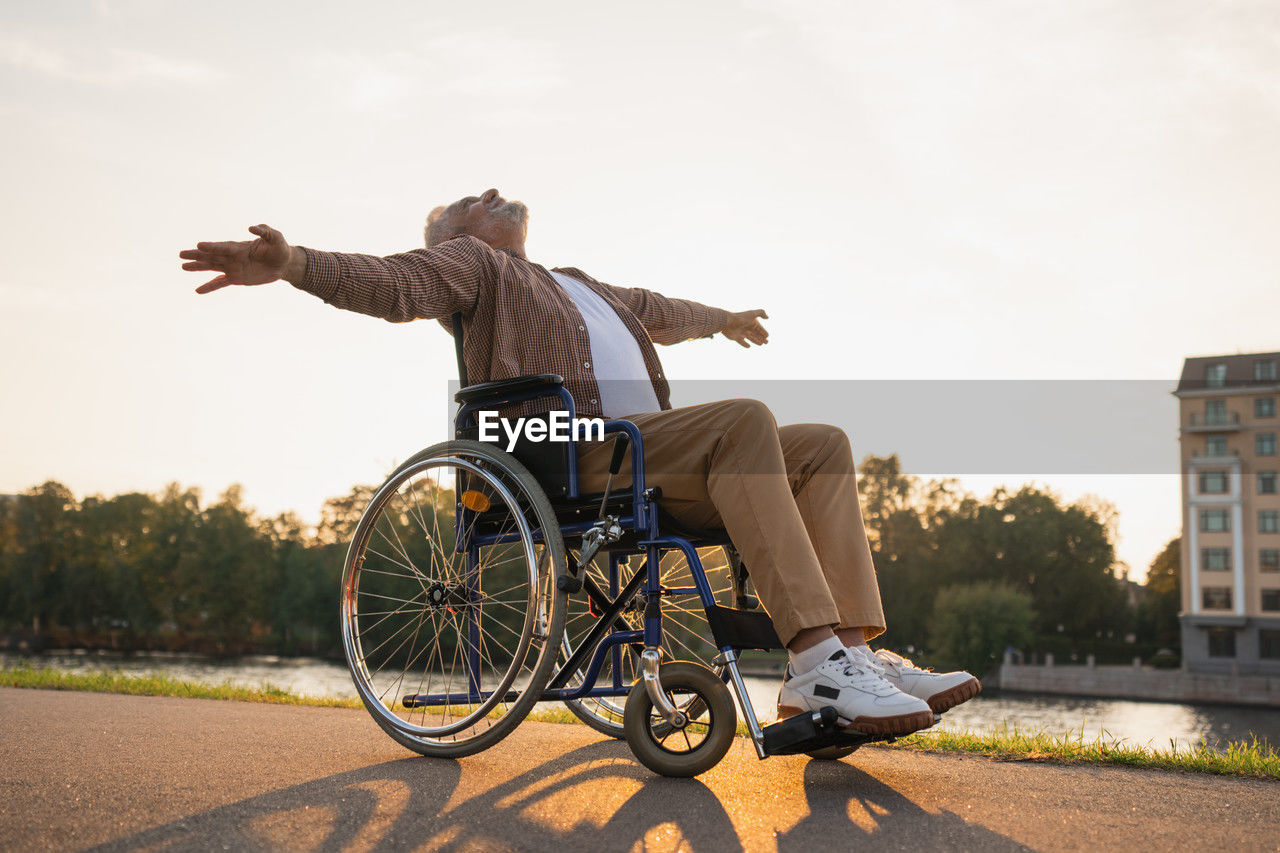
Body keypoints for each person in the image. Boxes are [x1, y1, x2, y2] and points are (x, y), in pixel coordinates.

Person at [179, 188, 980, 736]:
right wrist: (294, 266)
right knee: (745, 420)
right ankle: (812, 663)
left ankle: (852, 649)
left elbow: (659, 311)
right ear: (456, 234)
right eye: (472, 198)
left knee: (823, 446)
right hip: (577, 460)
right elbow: (395, 282)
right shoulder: (476, 268)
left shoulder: (576, 282)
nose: (494, 191)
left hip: (656, 456)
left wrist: (723, 319)